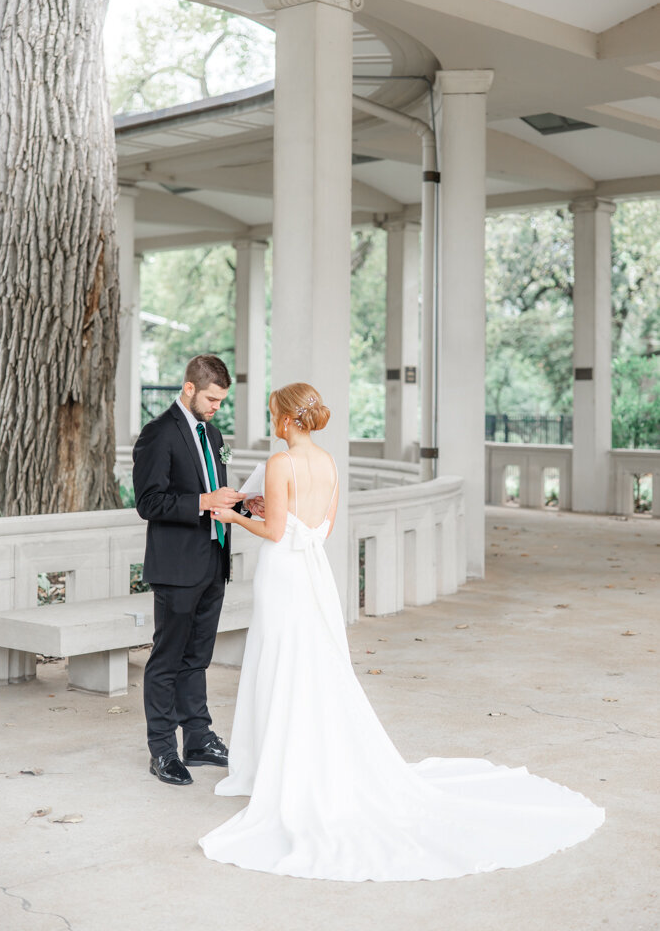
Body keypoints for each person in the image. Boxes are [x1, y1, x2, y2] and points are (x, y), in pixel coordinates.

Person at [198, 381, 605, 882]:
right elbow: (316, 528)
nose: (270, 422)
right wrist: (268, 511)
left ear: (285, 419)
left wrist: (232, 513)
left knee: (281, 662)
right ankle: (304, 762)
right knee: (312, 664)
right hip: (315, 576)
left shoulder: (281, 464)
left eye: (271, 414)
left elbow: (277, 532)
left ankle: (281, 769)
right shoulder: (329, 464)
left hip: (283, 574)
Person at [133, 354, 259, 786]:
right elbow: (148, 503)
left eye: (222, 401)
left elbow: (213, 490)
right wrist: (203, 503)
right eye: (212, 399)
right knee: (167, 658)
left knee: (198, 658)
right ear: (189, 388)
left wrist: (243, 502)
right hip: (176, 565)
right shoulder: (158, 434)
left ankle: (199, 739)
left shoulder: (214, 432)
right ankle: (163, 750)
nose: (216, 407)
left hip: (212, 561)